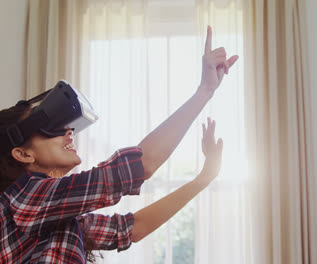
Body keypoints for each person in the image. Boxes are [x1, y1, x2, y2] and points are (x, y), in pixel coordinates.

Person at [0, 26, 238, 263]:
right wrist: (205, 90)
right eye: (50, 127)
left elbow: (133, 228)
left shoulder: (53, 215)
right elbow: (140, 165)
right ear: (22, 153)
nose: (68, 132)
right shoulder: (22, 201)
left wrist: (204, 177)